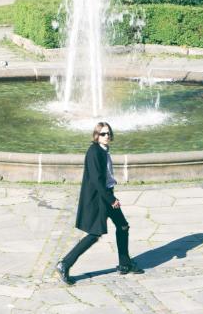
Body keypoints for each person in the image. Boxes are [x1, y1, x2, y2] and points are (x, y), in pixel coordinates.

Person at [56, 122, 144, 286]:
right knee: (94, 234)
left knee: (123, 226)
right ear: (96, 135)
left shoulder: (103, 150)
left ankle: (125, 263)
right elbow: (96, 181)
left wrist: (110, 196)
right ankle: (65, 264)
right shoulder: (94, 152)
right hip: (100, 199)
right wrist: (111, 200)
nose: (107, 136)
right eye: (103, 134)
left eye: (109, 133)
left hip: (106, 194)